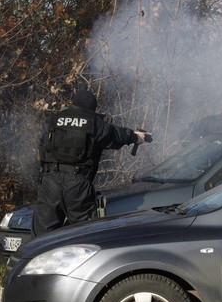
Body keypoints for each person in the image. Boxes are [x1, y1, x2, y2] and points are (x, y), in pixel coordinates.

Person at [32, 87, 148, 237]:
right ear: (93, 107)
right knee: (81, 236)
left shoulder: (53, 121)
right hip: (77, 183)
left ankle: (34, 259)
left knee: (42, 236)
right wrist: (135, 136)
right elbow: (115, 135)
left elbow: (42, 147)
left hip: (50, 181)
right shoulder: (94, 123)